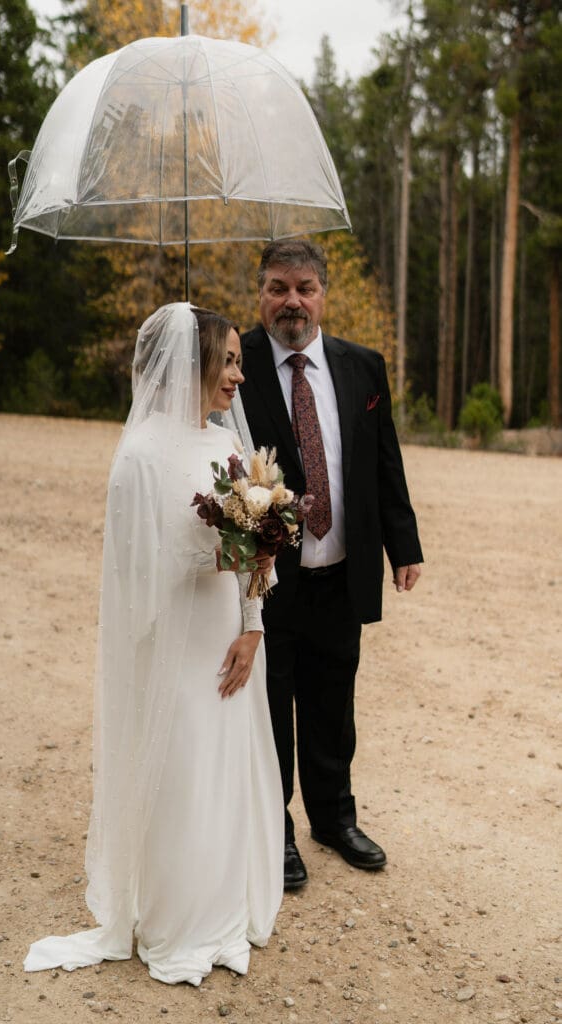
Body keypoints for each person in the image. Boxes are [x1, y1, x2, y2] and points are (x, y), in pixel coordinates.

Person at [24, 303, 283, 985]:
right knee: (181, 765)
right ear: (190, 363)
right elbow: (131, 574)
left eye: (238, 360)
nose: (237, 374)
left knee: (221, 764)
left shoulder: (228, 446)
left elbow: (257, 552)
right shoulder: (138, 458)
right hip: (170, 641)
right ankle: (174, 914)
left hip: (225, 636)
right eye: (225, 360)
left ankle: (221, 904)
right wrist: (212, 558)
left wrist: (252, 626)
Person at [240, 240, 423, 890]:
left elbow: (383, 463)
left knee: (332, 703)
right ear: (259, 292)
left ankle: (332, 819)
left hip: (341, 575)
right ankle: (276, 832)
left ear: (323, 294)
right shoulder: (235, 364)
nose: (292, 300)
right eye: (278, 287)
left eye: (305, 287)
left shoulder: (361, 367)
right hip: (267, 581)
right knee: (270, 707)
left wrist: (403, 546)